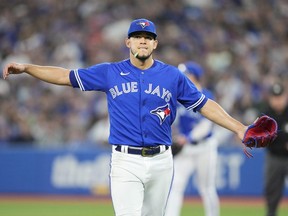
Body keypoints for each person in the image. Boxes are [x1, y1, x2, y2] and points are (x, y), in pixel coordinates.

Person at [3, 18, 248, 216]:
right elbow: (65, 76)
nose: (143, 41)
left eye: (148, 38)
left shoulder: (172, 76)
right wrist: (28, 68)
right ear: (128, 42)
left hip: (162, 160)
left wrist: (238, 128)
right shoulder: (110, 72)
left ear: (155, 44)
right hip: (125, 162)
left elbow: (204, 105)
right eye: (139, 37)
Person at [165, 62, 219, 216]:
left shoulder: (207, 95)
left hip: (205, 147)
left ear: (194, 76)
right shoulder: (178, 96)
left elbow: (206, 125)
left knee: (207, 188)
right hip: (185, 148)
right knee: (175, 185)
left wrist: (187, 137)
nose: (182, 76)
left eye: (185, 73)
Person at [261, 82, 288, 216]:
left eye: (280, 97)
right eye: (275, 97)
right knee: (272, 192)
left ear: (285, 96)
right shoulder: (266, 115)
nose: (277, 101)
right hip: (274, 157)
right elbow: (263, 139)